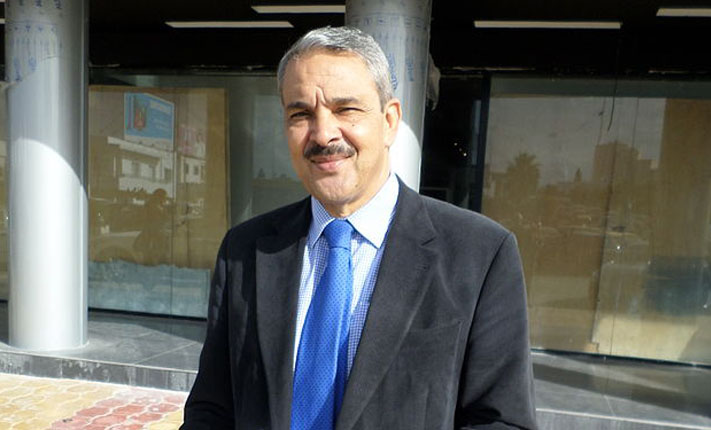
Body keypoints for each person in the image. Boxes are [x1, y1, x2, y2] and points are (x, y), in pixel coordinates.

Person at [181, 26, 537, 430]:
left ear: (390, 121)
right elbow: (213, 407)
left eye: (346, 109)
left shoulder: (481, 254)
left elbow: (501, 421)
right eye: (301, 114)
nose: (323, 134)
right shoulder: (245, 249)